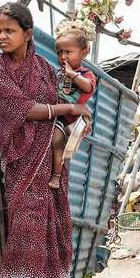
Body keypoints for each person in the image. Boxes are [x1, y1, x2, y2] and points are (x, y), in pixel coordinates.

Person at [0, 3, 91, 278]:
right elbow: (23, 109)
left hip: (49, 159)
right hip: (22, 158)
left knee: (50, 229)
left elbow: (60, 101)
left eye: (9, 31)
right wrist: (67, 111)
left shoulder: (44, 67)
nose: (1, 37)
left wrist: (77, 116)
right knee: (25, 228)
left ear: (28, 34)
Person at [49, 19, 97, 189]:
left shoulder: (86, 74)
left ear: (84, 53)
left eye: (68, 52)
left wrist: (72, 74)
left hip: (69, 120)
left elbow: (88, 86)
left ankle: (56, 175)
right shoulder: (58, 73)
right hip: (56, 114)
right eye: (59, 52)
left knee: (56, 141)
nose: (63, 56)